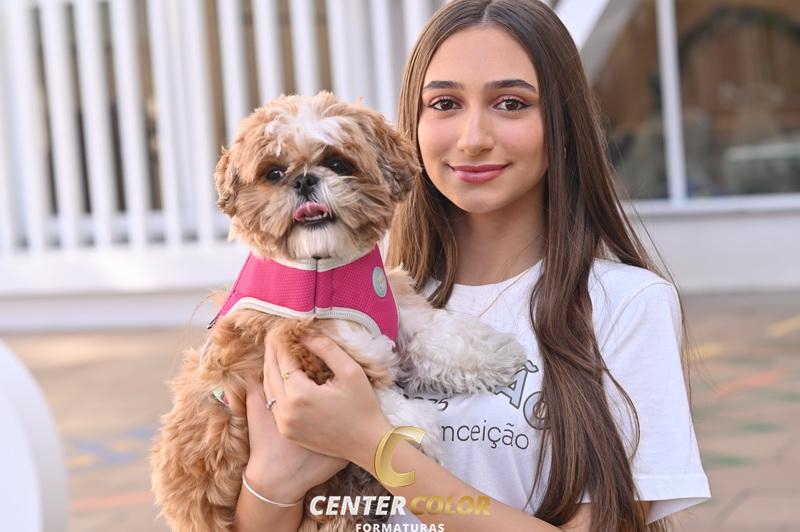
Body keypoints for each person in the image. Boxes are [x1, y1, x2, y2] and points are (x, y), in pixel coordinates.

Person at [233, 1, 711, 530]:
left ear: (562, 123)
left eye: (511, 103)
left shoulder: (625, 305)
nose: (473, 138)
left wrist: (374, 446)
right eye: (444, 103)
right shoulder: (356, 304)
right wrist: (273, 480)